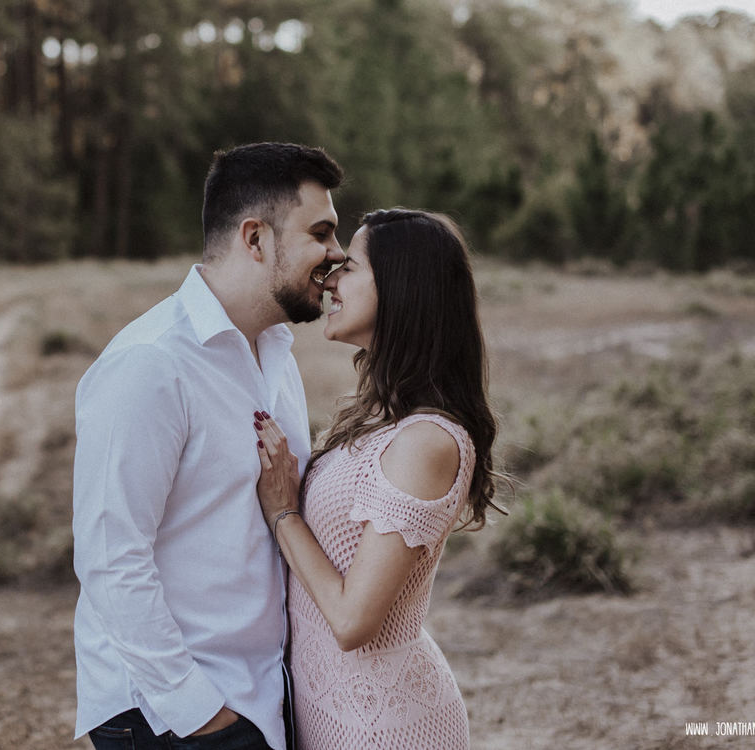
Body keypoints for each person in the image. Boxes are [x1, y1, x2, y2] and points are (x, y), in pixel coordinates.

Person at [72, 142, 346, 750]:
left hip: (258, 699)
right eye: (322, 233)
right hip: (173, 713)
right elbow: (110, 557)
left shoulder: (276, 356)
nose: (338, 254)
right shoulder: (150, 364)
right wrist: (199, 716)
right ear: (255, 238)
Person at [254, 208, 506, 749]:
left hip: (384, 729)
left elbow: (352, 621)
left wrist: (283, 513)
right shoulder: (382, 421)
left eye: (349, 267)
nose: (329, 280)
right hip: (331, 715)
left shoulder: (426, 441)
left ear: (402, 289)